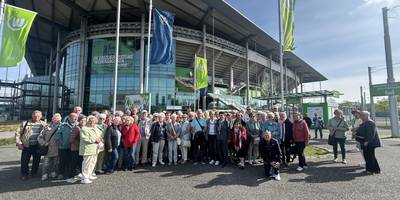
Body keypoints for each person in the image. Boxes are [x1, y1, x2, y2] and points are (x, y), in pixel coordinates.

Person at [15, 110, 47, 180]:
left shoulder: (44, 124)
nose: (36, 117)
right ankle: (24, 174)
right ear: (32, 116)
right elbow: (17, 134)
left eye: (38, 116)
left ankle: (34, 173)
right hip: (27, 145)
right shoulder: (25, 123)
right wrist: (19, 143)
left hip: (37, 146)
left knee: (37, 160)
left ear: (41, 116)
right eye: (35, 116)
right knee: (24, 161)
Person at [38, 113, 62, 181]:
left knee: (56, 162)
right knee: (46, 163)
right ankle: (44, 174)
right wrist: (44, 143)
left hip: (57, 148)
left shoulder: (62, 126)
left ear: (60, 119)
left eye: (58, 119)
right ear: (52, 119)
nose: (56, 120)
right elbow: (40, 137)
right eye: (55, 118)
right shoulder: (46, 126)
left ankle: (53, 172)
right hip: (48, 148)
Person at [79, 115, 102, 184]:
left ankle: (89, 175)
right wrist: (95, 140)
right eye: (91, 121)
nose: (92, 122)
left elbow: (100, 135)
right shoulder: (84, 128)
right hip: (88, 149)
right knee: (87, 164)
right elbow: (84, 138)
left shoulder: (96, 128)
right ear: (88, 121)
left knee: (92, 163)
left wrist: (99, 140)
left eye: (94, 121)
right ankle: (84, 178)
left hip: (95, 148)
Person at [57, 112, 78, 179]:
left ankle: (70, 173)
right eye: (73, 117)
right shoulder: (63, 125)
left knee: (72, 160)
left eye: (76, 118)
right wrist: (61, 142)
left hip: (73, 147)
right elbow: (58, 135)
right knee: (62, 160)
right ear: (69, 118)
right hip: (63, 146)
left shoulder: (77, 125)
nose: (75, 119)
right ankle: (61, 173)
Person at [69, 115, 86, 182]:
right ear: (78, 121)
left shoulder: (84, 127)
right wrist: (79, 145)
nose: (83, 121)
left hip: (81, 148)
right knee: (74, 162)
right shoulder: (77, 128)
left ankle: (77, 174)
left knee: (79, 162)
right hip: (76, 148)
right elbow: (72, 139)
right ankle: (70, 175)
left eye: (84, 120)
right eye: (81, 120)